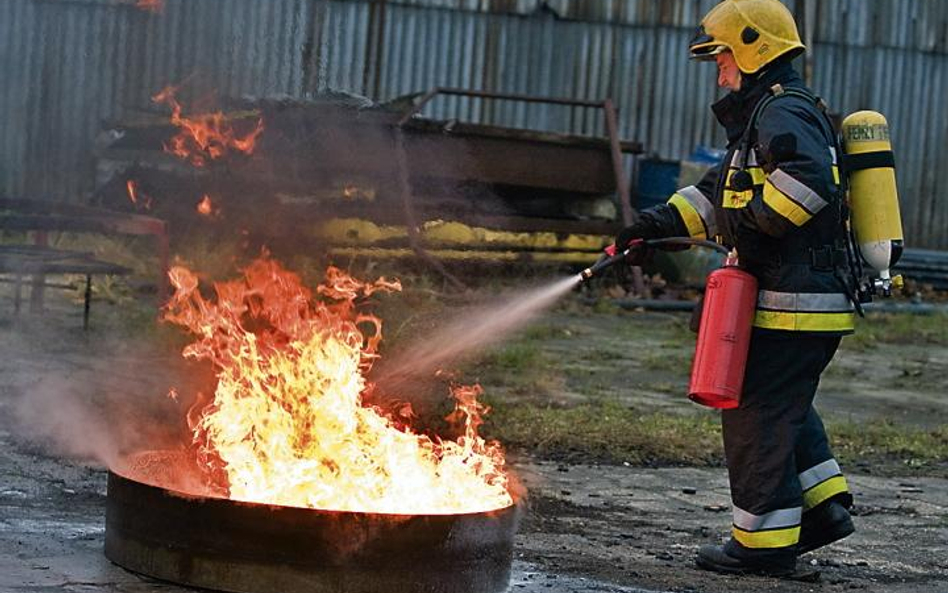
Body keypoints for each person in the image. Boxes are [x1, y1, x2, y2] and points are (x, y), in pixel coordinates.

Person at [615, 0, 855, 577]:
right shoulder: (763, 117)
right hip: (798, 298)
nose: (720, 70)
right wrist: (654, 227)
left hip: (794, 300)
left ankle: (764, 545)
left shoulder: (780, 112)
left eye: (723, 57)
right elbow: (719, 195)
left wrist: (747, 226)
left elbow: (806, 184)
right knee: (782, 405)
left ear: (754, 50)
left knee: (757, 414)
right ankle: (821, 509)